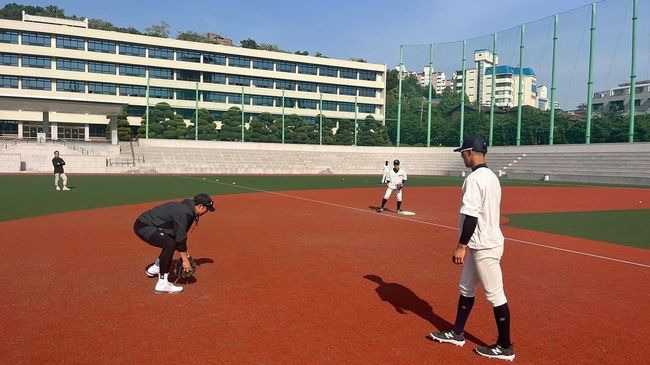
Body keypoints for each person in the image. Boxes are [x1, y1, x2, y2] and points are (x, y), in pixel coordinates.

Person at [429, 136, 514, 361]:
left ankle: (505, 347)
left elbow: (471, 216)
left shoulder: (475, 179)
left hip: (484, 245)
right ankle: (457, 333)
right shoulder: (492, 177)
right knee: (466, 288)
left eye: (462, 153)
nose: (461, 157)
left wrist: (461, 246)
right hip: (480, 243)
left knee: (495, 295)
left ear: (470, 152)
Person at [133, 193, 215, 294]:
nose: (207, 211)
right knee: (169, 244)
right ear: (201, 206)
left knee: (170, 241)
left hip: (148, 224)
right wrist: (185, 261)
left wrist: (186, 254)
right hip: (144, 226)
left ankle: (156, 268)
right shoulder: (185, 213)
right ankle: (162, 284)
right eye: (207, 209)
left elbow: (179, 236)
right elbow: (180, 239)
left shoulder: (188, 210)